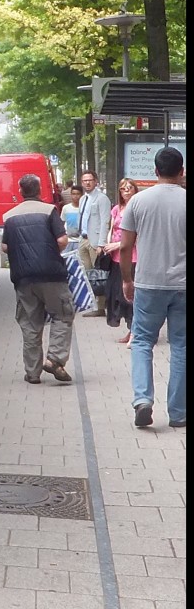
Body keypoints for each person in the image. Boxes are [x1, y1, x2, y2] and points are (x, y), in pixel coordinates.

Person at [119, 147, 185, 429]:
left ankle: (143, 400)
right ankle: (179, 413)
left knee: (143, 342)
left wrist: (126, 279)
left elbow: (124, 246)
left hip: (148, 283)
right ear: (182, 171)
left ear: (155, 172)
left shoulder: (137, 202)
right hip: (184, 285)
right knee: (181, 346)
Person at [0, 173, 75, 384]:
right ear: (40, 190)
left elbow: (5, 247)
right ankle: (55, 359)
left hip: (23, 278)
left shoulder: (10, 216)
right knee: (62, 315)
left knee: (30, 323)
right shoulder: (50, 211)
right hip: (52, 274)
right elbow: (62, 240)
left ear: (20, 190)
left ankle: (32, 373)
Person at [101, 178, 140, 344]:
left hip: (133, 256)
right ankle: (130, 329)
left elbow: (138, 235)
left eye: (130, 188)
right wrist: (106, 244)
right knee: (116, 294)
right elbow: (112, 228)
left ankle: (135, 332)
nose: (126, 191)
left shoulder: (138, 209)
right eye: (123, 189)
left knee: (130, 296)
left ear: (135, 190)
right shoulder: (116, 209)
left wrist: (117, 244)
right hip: (116, 258)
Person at [76, 169, 112, 316]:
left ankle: (101, 307)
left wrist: (101, 243)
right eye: (84, 180)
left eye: (90, 180)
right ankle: (92, 304)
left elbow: (105, 221)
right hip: (83, 239)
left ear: (96, 181)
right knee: (86, 274)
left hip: (95, 241)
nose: (87, 183)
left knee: (98, 275)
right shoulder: (82, 199)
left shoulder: (102, 198)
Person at [60, 184, 83, 250]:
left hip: (81, 241)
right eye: (73, 194)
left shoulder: (84, 208)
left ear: (82, 195)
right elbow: (62, 222)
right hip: (69, 241)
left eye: (78, 194)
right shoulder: (66, 208)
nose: (75, 196)